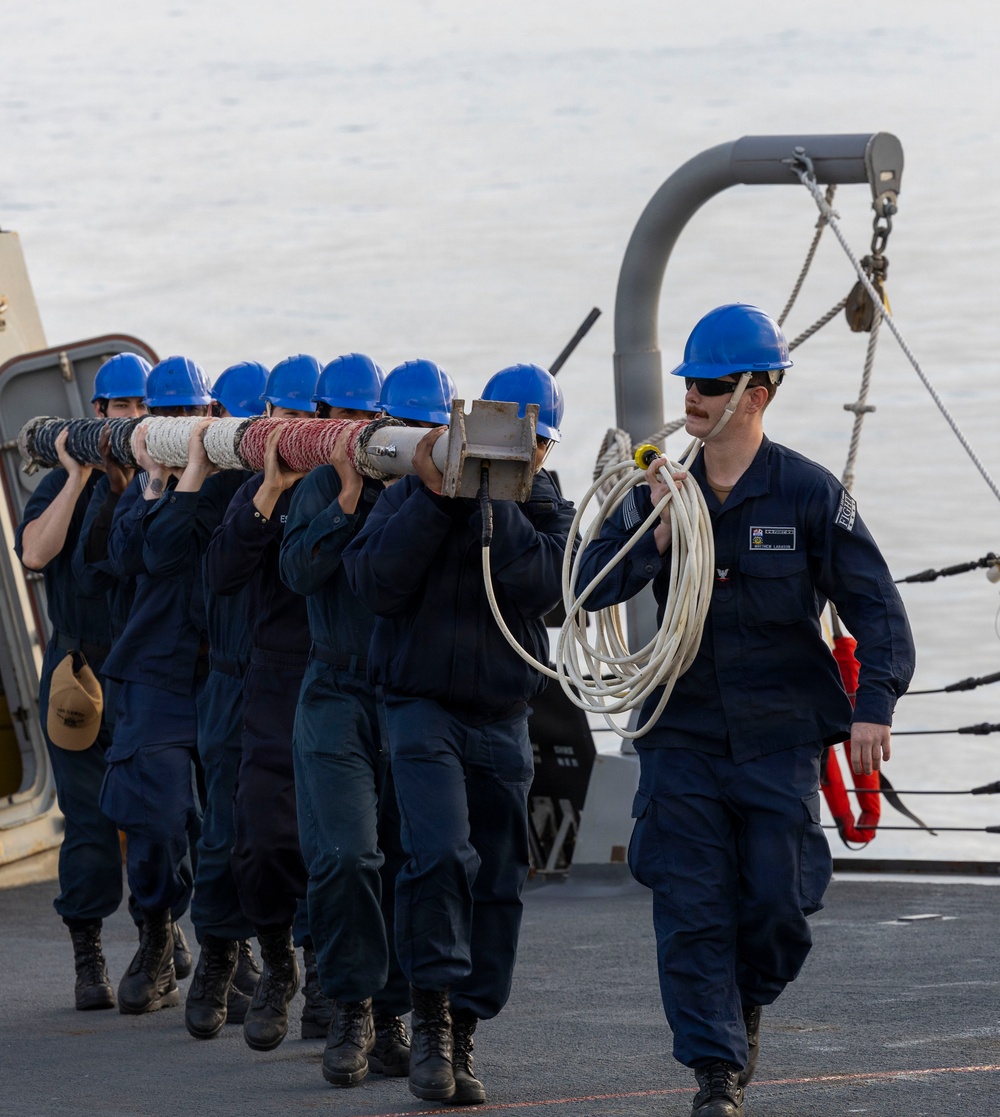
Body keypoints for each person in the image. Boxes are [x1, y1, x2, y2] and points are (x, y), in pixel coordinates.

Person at [575, 304, 915, 1117]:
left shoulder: (806, 492)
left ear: (756, 394)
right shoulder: (662, 494)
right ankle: (715, 1073)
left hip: (778, 737)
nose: (692, 396)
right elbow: (586, 585)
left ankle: (746, 998)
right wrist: (654, 536)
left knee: (777, 904)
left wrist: (873, 706)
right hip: (682, 736)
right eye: (689, 382)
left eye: (711, 384)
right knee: (690, 906)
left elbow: (877, 607)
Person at [344, 360, 575, 1105]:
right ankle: (431, 1019)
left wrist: (498, 506)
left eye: (533, 447)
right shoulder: (412, 496)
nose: (520, 457)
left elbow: (551, 591)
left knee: (499, 877)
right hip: (422, 708)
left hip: (503, 714)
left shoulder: (550, 513)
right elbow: (374, 584)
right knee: (438, 853)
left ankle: (467, 1023)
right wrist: (440, 499)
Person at [280, 356, 422, 1089]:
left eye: (372, 418)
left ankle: (393, 1015)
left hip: (407, 694)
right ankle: (351, 1005)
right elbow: (298, 572)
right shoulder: (316, 488)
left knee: (404, 858)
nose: (360, 430)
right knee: (344, 855)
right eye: (346, 416)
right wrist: (344, 498)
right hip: (334, 690)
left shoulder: (426, 497)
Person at [13, 352, 149, 1011]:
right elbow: (36, 552)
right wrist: (76, 474)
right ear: (99, 411)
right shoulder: (63, 484)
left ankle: (159, 935)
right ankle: (88, 950)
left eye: (145, 407)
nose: (135, 417)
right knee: (90, 822)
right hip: (79, 673)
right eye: (124, 406)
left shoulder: (163, 482)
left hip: (145, 671)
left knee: (162, 815)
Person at [204, 353, 331, 1051]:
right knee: (258, 838)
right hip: (276, 676)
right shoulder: (256, 492)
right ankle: (278, 958)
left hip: (342, 674)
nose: (296, 429)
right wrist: (270, 492)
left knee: (338, 841)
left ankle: (327, 978)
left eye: (308, 417)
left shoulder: (364, 488)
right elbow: (222, 572)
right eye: (283, 415)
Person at [98, 355, 214, 1015]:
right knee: (156, 816)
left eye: (188, 413)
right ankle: (158, 932)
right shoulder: (141, 490)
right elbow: (127, 557)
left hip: (222, 669)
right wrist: (156, 483)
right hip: (154, 671)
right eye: (165, 413)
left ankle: (231, 944)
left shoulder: (233, 486)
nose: (176, 424)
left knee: (230, 820)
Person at [182, 361, 269, 1040]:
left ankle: (287, 963)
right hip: (230, 677)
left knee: (288, 834)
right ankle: (218, 957)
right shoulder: (217, 494)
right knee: (222, 831)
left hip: (286, 681)